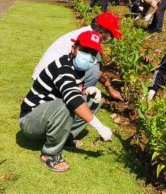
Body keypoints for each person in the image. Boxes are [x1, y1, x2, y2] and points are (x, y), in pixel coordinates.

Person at [20, 30, 113, 172]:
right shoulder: (62, 67)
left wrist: (87, 92)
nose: (88, 56)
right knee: (69, 104)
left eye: (93, 53)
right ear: (74, 48)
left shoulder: (78, 68)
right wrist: (99, 126)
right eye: (85, 50)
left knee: (95, 101)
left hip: (48, 114)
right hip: (31, 121)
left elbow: (70, 90)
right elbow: (71, 97)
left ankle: (64, 138)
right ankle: (50, 154)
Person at [32, 12, 124, 101]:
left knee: (94, 67)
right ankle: (76, 99)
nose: (109, 39)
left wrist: (110, 89)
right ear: (101, 31)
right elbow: (98, 70)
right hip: (47, 78)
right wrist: (109, 88)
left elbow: (99, 63)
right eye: (110, 35)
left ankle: (74, 95)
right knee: (94, 70)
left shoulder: (91, 36)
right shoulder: (87, 38)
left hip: (49, 73)